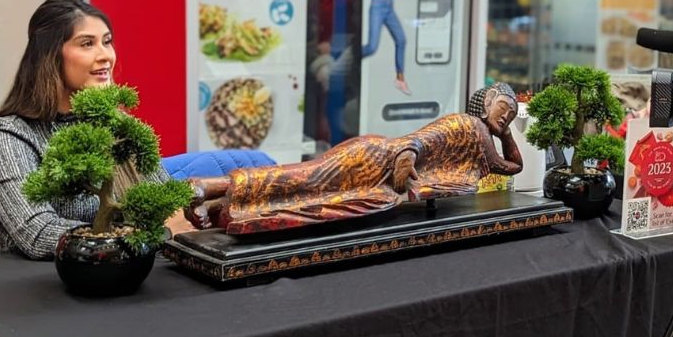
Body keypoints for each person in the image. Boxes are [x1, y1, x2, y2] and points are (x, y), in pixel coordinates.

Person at [0, 0, 171, 259]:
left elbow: (169, 209)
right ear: (51, 55)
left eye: (107, 42)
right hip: (37, 290)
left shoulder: (118, 125)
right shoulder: (6, 137)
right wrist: (155, 235)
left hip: (123, 279)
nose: (106, 56)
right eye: (87, 44)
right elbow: (38, 233)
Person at [184, 83, 522, 235]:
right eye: (503, 109)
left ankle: (222, 205)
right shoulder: (466, 124)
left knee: (310, 197)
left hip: (383, 181)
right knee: (308, 179)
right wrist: (408, 156)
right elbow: (420, 141)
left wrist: (506, 133)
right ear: (484, 103)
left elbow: (511, 167)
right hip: (378, 159)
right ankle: (210, 185)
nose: (506, 117)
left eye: (511, 114)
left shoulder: (481, 139)